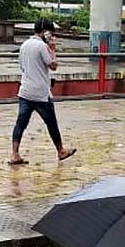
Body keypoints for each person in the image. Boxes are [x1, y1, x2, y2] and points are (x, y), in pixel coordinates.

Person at [10, 17, 76, 166]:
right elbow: (53, 65)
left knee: (20, 123)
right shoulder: (42, 46)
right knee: (51, 123)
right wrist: (52, 49)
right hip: (40, 93)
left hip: (25, 91)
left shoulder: (24, 45)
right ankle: (60, 151)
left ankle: (14, 153)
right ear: (45, 33)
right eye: (50, 34)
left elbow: (22, 67)